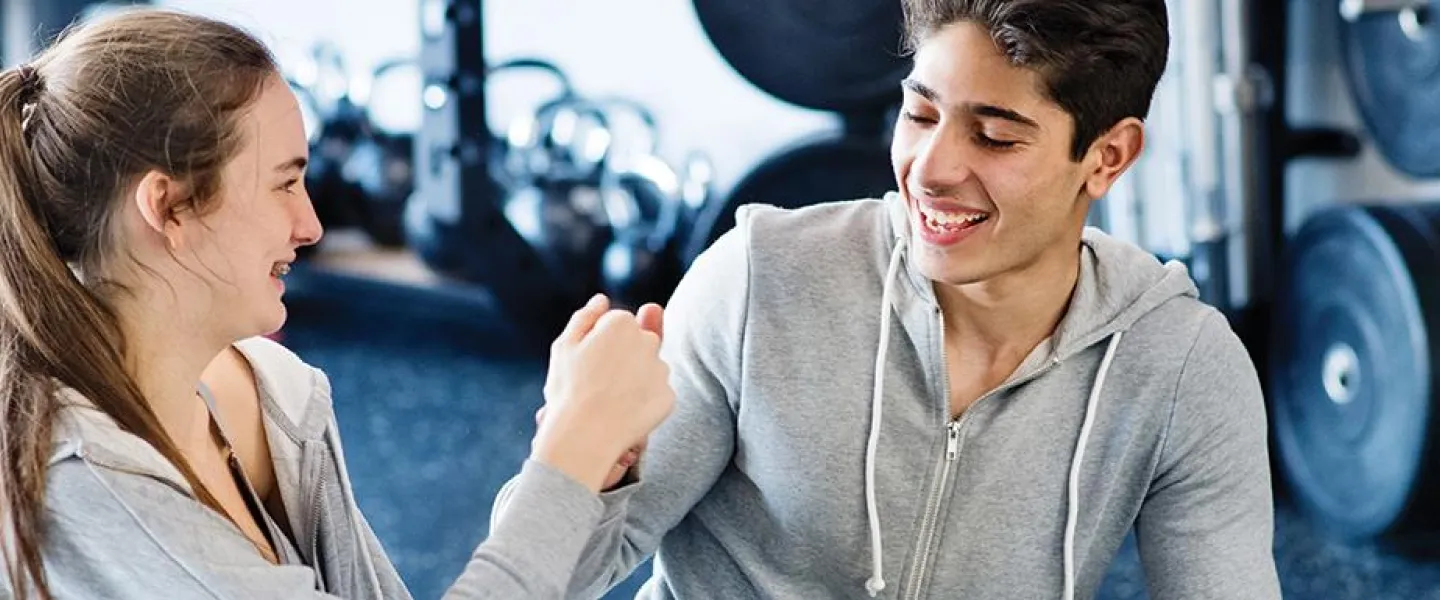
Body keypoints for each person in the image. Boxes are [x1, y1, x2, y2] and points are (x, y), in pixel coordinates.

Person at [506, 0, 1283, 598]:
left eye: (995, 136)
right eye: (920, 113)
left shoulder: (1179, 365)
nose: (931, 167)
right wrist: (578, 465)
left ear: (1107, 157)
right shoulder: (759, 279)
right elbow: (548, 578)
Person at [0, 8, 672, 600]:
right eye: (283, 184)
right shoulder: (82, 478)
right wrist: (568, 456)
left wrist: (587, 464)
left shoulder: (276, 394)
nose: (312, 225)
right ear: (168, 206)